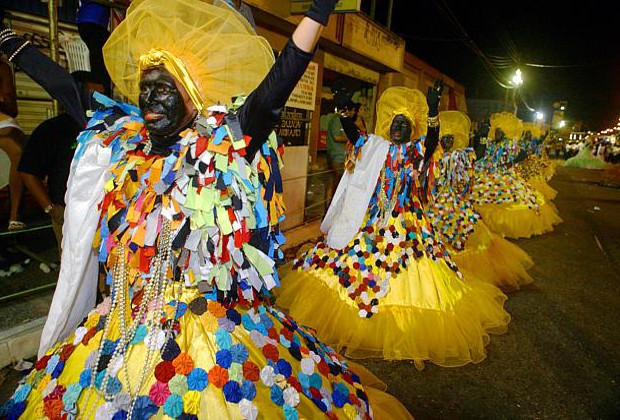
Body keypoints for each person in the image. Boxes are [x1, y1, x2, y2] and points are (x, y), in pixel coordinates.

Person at [0, 1, 412, 418]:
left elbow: (277, 85)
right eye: (145, 87)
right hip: (128, 319)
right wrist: (13, 45)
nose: (149, 99)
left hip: (207, 324)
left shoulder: (223, 143)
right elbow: (68, 92)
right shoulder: (126, 142)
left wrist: (317, 14)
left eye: (163, 88)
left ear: (192, 96)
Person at [277, 84, 510, 369]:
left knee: (411, 266)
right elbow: (355, 136)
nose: (398, 127)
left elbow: (433, 140)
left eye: (404, 124)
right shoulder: (377, 147)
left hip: (407, 221)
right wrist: (343, 113)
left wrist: (434, 112)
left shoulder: (416, 150)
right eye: (395, 123)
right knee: (354, 258)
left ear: (412, 130)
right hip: (374, 219)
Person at [426, 110, 534, 291]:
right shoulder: (432, 157)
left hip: (455, 203)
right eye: (445, 138)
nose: (448, 142)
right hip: (433, 203)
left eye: (451, 139)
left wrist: (483, 137)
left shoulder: (459, 156)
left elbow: (479, 155)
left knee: (465, 232)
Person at [16, 73, 93, 253]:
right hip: (68, 213)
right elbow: (28, 171)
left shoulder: (109, 127)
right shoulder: (53, 129)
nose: (97, 102)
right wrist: (51, 209)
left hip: (104, 214)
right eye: (91, 96)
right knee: (74, 275)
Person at [472, 112, 562, 239]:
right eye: (496, 132)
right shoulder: (491, 143)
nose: (497, 134)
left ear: (504, 133)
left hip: (504, 175)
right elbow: (482, 155)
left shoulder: (510, 144)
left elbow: (523, 154)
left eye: (499, 132)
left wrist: (510, 162)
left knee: (510, 196)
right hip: (488, 171)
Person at [0, 58, 25, 231]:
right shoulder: (2, 67)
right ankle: (15, 215)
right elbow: (8, 96)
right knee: (19, 154)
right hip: (3, 123)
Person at [324, 107, 347, 210]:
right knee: (335, 183)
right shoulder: (336, 120)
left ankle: (328, 209)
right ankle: (330, 209)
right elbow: (336, 137)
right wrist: (350, 138)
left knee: (332, 182)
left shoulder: (338, 119)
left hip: (336, 155)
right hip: (336, 156)